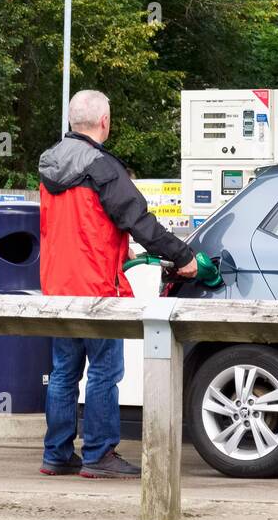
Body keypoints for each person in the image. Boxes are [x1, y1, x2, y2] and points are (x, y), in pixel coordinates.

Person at [38, 89, 196, 478]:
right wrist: (183, 256)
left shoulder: (49, 163)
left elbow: (76, 225)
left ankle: (56, 455)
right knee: (104, 372)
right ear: (104, 122)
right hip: (97, 289)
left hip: (58, 285)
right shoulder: (103, 168)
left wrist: (113, 247)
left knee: (63, 372)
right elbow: (140, 222)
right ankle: (99, 455)